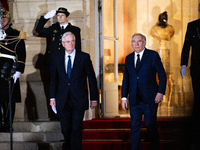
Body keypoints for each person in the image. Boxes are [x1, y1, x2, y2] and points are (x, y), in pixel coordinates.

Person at [50, 32, 99, 150]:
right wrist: (52, 98)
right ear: (63, 44)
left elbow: (92, 79)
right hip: (62, 99)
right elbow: (54, 79)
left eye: (72, 41)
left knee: (76, 128)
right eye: (67, 42)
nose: (70, 44)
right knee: (65, 129)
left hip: (79, 99)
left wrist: (94, 98)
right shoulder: (57, 58)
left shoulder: (84, 57)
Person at [121, 33, 166, 150]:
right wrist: (124, 97)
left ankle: (155, 147)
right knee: (135, 126)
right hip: (134, 99)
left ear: (144, 43)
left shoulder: (152, 55)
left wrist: (160, 92)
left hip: (150, 98)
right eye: (134, 41)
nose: (136, 44)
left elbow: (162, 75)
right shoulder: (128, 58)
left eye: (139, 41)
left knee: (150, 125)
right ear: (131, 44)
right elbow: (126, 78)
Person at [0, 7, 26, 132]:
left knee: (10, 98)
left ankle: (9, 124)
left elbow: (21, 54)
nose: (1, 22)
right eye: (0, 19)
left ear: (9, 21)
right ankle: (2, 122)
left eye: (4, 19)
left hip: (9, 68)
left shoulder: (16, 34)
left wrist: (18, 70)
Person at [36, 7, 81, 74]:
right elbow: (39, 30)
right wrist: (45, 18)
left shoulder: (74, 30)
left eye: (62, 15)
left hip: (67, 61)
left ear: (67, 17)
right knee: (54, 82)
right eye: (58, 15)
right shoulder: (53, 28)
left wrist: (77, 61)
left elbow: (77, 47)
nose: (60, 17)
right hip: (54, 61)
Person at [180, 3, 200, 148]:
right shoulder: (192, 25)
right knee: (198, 98)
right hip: (197, 69)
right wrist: (183, 64)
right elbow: (186, 46)